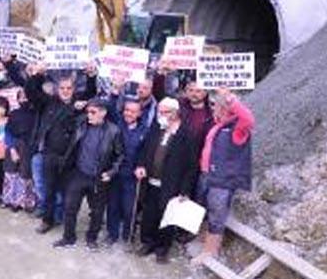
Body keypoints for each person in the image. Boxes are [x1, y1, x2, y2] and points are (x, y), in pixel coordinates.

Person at [28, 64, 96, 234]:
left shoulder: (80, 103)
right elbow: (31, 93)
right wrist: (37, 75)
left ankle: (66, 221)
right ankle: (47, 219)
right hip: (50, 154)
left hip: (71, 157)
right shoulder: (49, 102)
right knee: (48, 190)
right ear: (57, 89)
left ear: (74, 89)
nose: (66, 91)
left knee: (68, 192)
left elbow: (92, 91)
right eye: (62, 88)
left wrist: (91, 75)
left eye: (69, 88)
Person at [52, 99, 123, 249]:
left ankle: (92, 239)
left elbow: (120, 156)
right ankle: (68, 238)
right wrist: (76, 109)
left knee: (97, 211)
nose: (89, 115)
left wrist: (111, 172)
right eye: (88, 112)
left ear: (103, 113)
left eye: (93, 112)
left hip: (99, 177)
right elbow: (64, 122)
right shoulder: (81, 124)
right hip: (79, 174)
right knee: (70, 207)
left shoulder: (113, 131)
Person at [193, 91, 255, 264]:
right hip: (207, 175)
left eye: (217, 106)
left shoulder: (238, 128)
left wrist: (230, 99)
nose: (213, 109)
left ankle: (210, 251)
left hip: (222, 180)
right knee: (205, 209)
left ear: (225, 108)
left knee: (216, 215)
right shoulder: (218, 126)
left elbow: (249, 120)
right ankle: (204, 242)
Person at [135, 97, 199, 263]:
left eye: (164, 112)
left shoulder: (186, 134)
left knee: (167, 216)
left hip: (172, 184)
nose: (160, 115)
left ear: (175, 113)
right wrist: (141, 165)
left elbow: (191, 166)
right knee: (149, 214)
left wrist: (185, 190)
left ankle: (162, 249)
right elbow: (145, 149)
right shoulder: (157, 127)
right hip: (151, 180)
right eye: (159, 111)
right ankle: (148, 242)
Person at [106, 98, 149, 246]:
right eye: (127, 110)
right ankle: (112, 235)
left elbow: (145, 152)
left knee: (129, 207)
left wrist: (141, 165)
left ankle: (127, 236)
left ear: (139, 113)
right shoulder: (116, 125)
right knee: (112, 205)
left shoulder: (145, 130)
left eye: (133, 111)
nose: (129, 113)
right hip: (115, 172)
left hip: (132, 176)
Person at [3, 88, 38, 212]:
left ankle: (26, 202)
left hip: (29, 147)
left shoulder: (36, 114)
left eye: (26, 97)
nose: (24, 100)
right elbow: (7, 132)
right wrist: (12, 149)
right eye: (22, 97)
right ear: (17, 99)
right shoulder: (13, 114)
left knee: (26, 174)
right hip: (14, 146)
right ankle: (13, 201)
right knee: (12, 173)